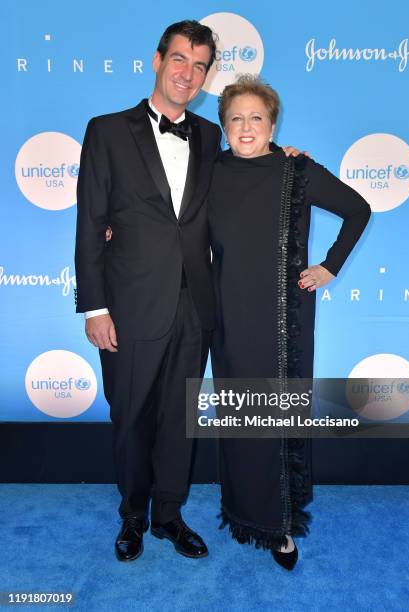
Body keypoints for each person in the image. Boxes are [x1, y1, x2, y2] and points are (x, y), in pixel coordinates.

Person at [208, 75, 371, 571]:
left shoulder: (296, 171)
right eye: (235, 118)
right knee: (239, 416)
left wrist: (330, 266)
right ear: (224, 127)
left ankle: (279, 527)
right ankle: (240, 512)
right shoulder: (208, 172)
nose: (246, 126)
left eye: (256, 117)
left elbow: (357, 210)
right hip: (227, 313)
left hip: (284, 317)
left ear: (272, 124)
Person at [75, 20, 222, 562]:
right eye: (180, 59)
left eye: (200, 65)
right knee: (130, 415)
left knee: (179, 419)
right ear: (157, 60)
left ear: (207, 76)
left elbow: (231, 199)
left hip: (194, 305)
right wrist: (94, 306)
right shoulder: (107, 131)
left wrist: (289, 165)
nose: (188, 73)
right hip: (130, 304)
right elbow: (90, 225)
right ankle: (133, 516)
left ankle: (169, 515)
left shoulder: (211, 136)